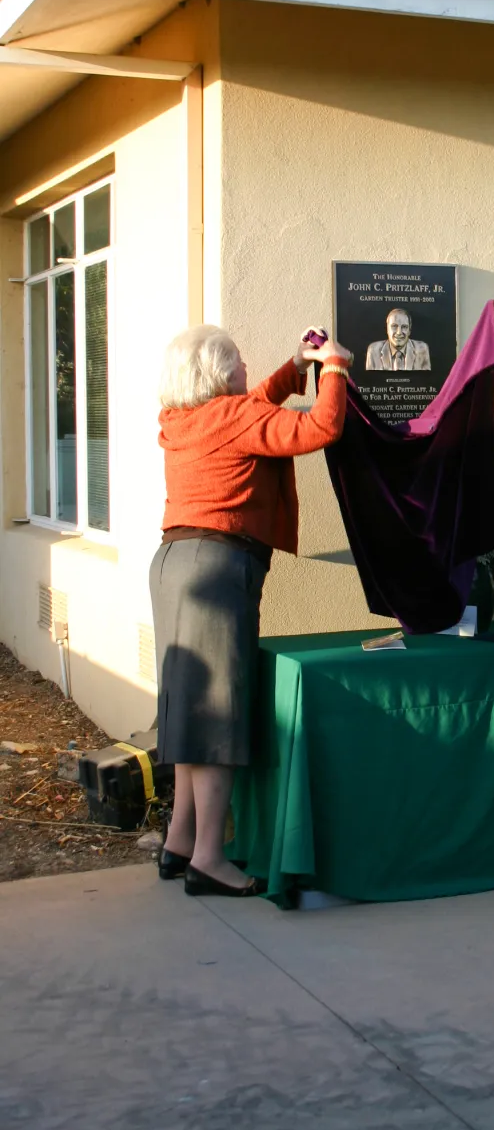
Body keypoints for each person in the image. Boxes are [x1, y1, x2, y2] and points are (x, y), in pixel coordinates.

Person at [151, 322, 351, 897]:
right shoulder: (233, 418)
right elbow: (322, 426)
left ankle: (180, 842)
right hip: (216, 568)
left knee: (188, 713)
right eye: (237, 360)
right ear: (218, 374)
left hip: (172, 563)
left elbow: (252, 406)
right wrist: (332, 366)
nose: (245, 367)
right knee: (217, 716)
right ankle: (210, 859)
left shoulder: (183, 421)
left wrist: (294, 367)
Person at [365, 308, 431, 371]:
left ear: (409, 330)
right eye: (394, 326)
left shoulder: (422, 349)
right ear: (387, 329)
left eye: (404, 327)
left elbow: (424, 378)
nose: (399, 332)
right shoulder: (374, 350)